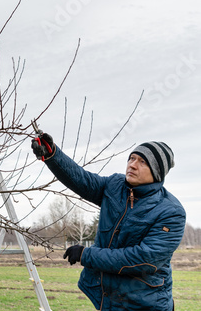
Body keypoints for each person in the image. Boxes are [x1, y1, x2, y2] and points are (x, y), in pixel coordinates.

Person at [31, 133, 185, 311]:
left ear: (157, 170)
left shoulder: (171, 212)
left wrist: (86, 255)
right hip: (110, 299)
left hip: (145, 303)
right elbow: (82, 180)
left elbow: (142, 259)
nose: (132, 165)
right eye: (132, 158)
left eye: (143, 162)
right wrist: (52, 156)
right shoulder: (115, 186)